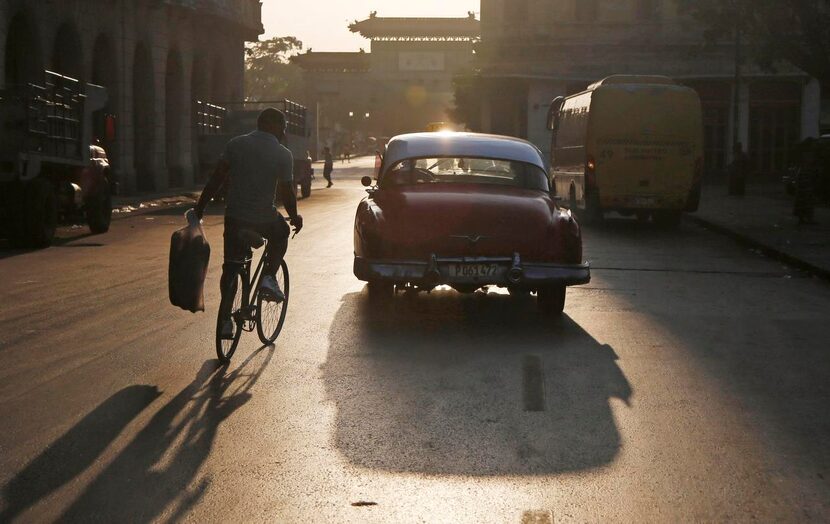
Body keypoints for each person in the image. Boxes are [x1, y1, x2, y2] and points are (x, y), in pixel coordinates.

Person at [194, 108, 303, 339]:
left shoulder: (236, 144)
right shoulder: (283, 154)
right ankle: (269, 278)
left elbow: (217, 178)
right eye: (283, 127)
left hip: (234, 217)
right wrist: (295, 217)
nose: (284, 132)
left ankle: (225, 320)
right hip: (264, 219)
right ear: (276, 127)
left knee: (231, 266)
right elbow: (287, 192)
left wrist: (200, 207)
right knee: (282, 231)